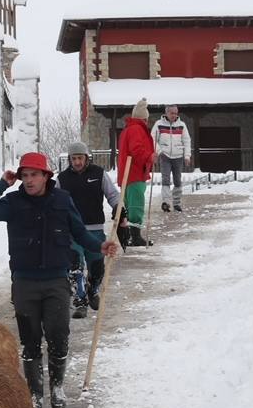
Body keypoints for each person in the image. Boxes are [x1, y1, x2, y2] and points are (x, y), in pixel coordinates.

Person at [0, 151, 120, 408]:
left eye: (33, 175)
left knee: (58, 336)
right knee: (30, 340)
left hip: (56, 282)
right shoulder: (13, 201)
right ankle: (35, 394)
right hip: (25, 282)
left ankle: (57, 388)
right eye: (24, 176)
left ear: (45, 176)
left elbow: (79, 232)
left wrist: (100, 244)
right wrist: (2, 184)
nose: (28, 181)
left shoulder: (62, 200)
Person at [56, 141, 127, 319]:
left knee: (97, 268)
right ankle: (80, 301)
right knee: (74, 267)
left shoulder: (98, 174)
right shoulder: (62, 179)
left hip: (94, 229)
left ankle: (92, 290)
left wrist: (119, 207)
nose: (77, 162)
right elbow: (54, 201)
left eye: (80, 158)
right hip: (72, 231)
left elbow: (112, 194)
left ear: (87, 158)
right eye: (74, 158)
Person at [117, 97, 155, 247]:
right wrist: (149, 156)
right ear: (143, 118)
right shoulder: (136, 129)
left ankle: (129, 235)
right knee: (136, 205)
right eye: (147, 119)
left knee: (129, 204)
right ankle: (135, 236)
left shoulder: (129, 129)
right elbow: (137, 150)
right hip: (134, 173)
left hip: (128, 174)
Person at [152, 104, 192, 212]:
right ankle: (165, 202)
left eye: (176, 113)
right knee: (165, 179)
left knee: (177, 180)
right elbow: (153, 139)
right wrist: (159, 152)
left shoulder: (182, 125)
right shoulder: (158, 124)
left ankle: (176, 203)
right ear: (166, 113)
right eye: (172, 113)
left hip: (178, 156)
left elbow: (187, 141)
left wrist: (187, 156)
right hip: (165, 156)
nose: (174, 115)